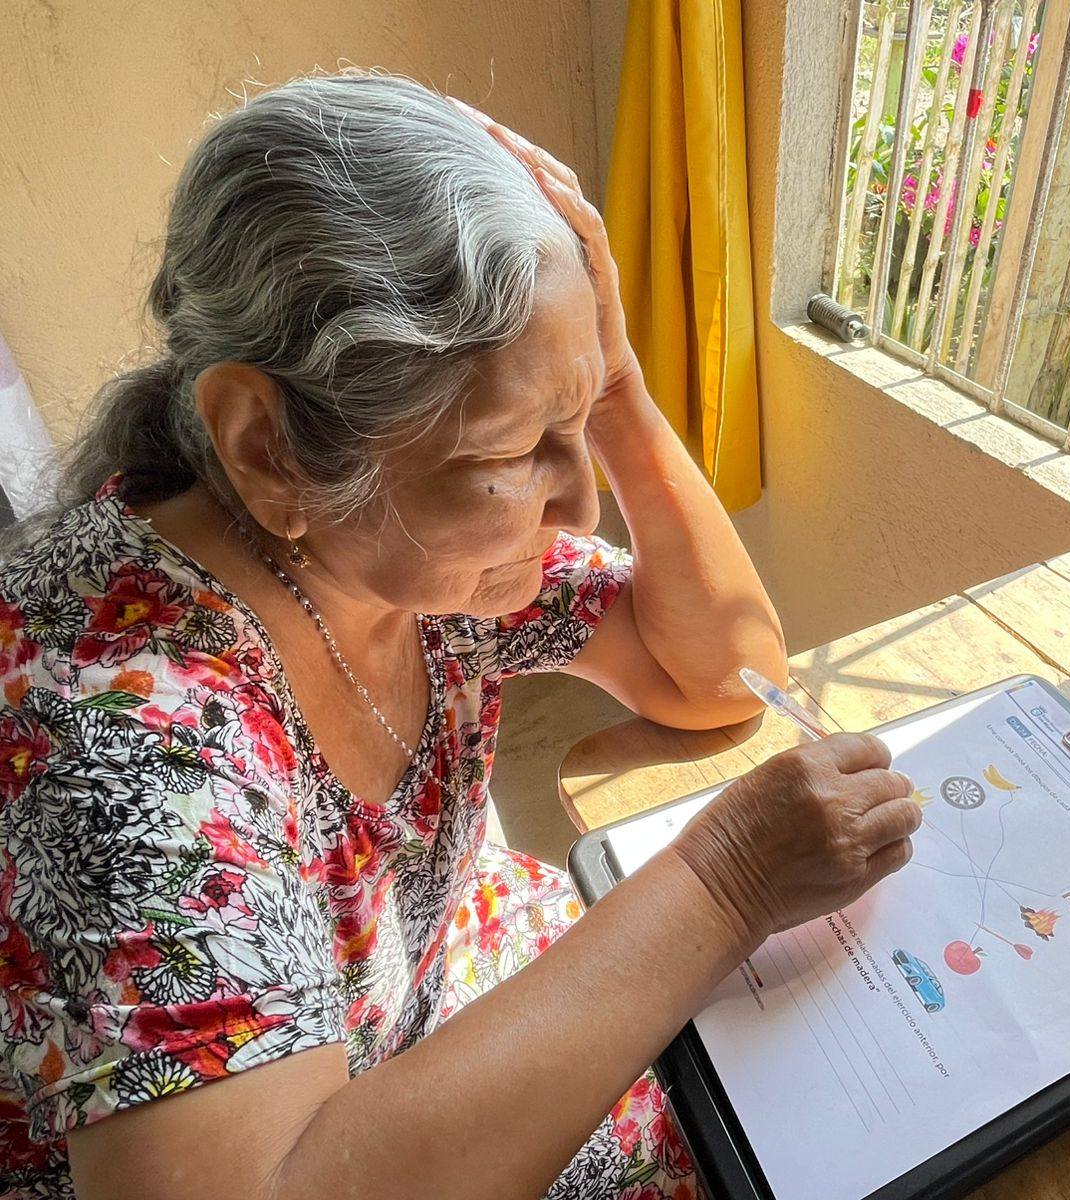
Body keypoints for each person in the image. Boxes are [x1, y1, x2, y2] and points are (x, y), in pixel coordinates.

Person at [0, 72, 922, 1200]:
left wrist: (611, 388)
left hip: (434, 996)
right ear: (267, 447)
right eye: (511, 454)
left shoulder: (402, 555)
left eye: (573, 428)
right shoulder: (122, 736)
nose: (579, 505)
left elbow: (721, 675)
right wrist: (726, 882)